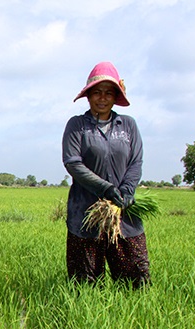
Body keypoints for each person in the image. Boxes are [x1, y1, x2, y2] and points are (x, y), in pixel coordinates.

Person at [61, 61, 150, 288]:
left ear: (115, 96)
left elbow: (135, 161)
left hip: (124, 213)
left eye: (108, 93)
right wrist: (106, 189)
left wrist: (127, 190)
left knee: (135, 279)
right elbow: (73, 163)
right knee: (85, 282)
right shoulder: (77, 126)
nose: (102, 98)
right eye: (97, 93)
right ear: (88, 96)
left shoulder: (128, 126)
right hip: (86, 213)